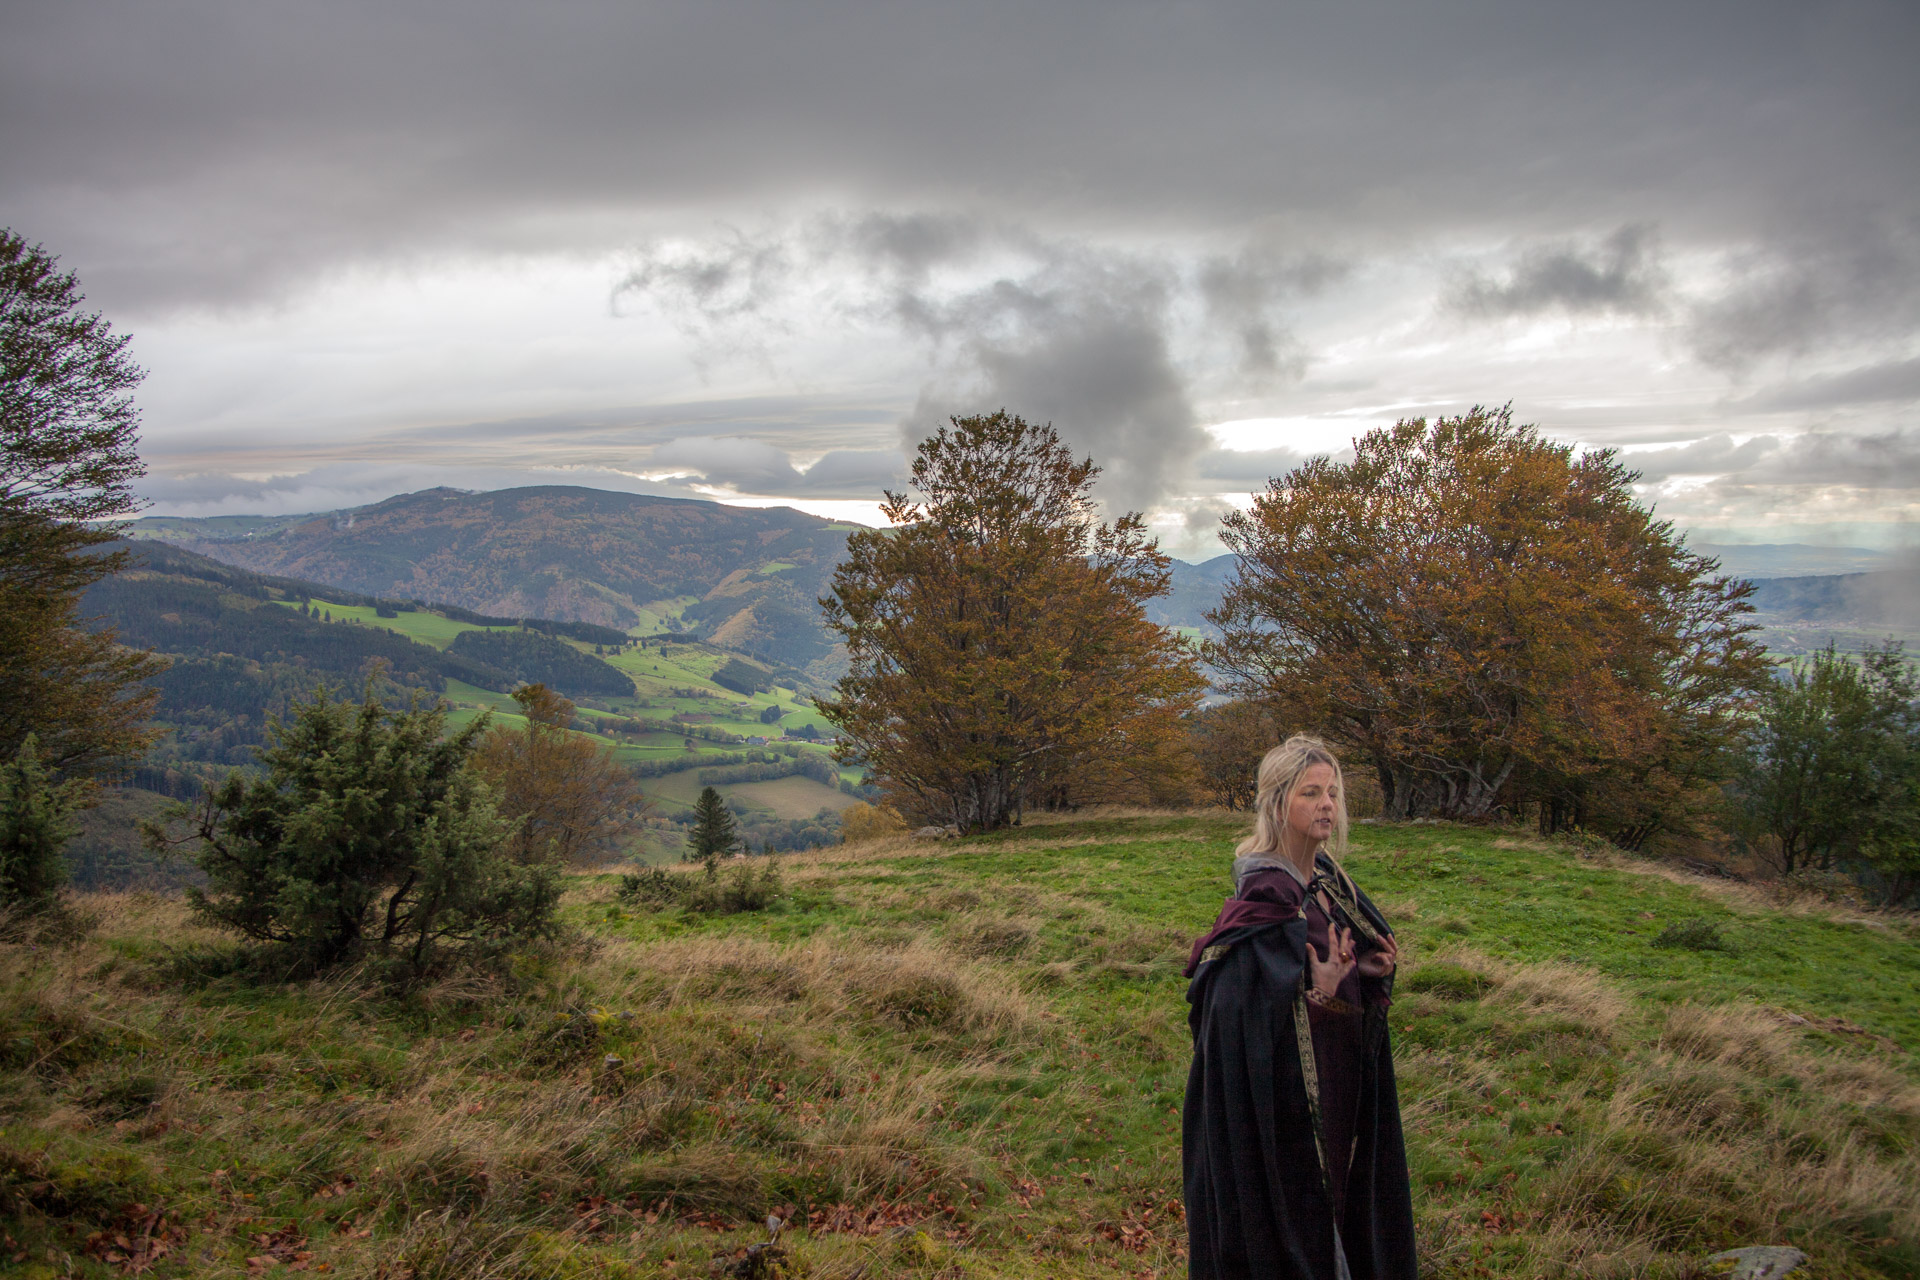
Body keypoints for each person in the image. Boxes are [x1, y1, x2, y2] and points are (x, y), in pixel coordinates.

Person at [1182, 734, 1417, 1280]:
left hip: (1333, 1105)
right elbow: (1236, 1023)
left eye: (1332, 793)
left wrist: (1361, 973)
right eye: (1311, 793)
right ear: (1276, 801)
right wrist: (1321, 997)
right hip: (1281, 1125)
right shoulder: (1267, 899)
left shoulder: (1326, 884)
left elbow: (1317, 972)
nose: (1327, 805)